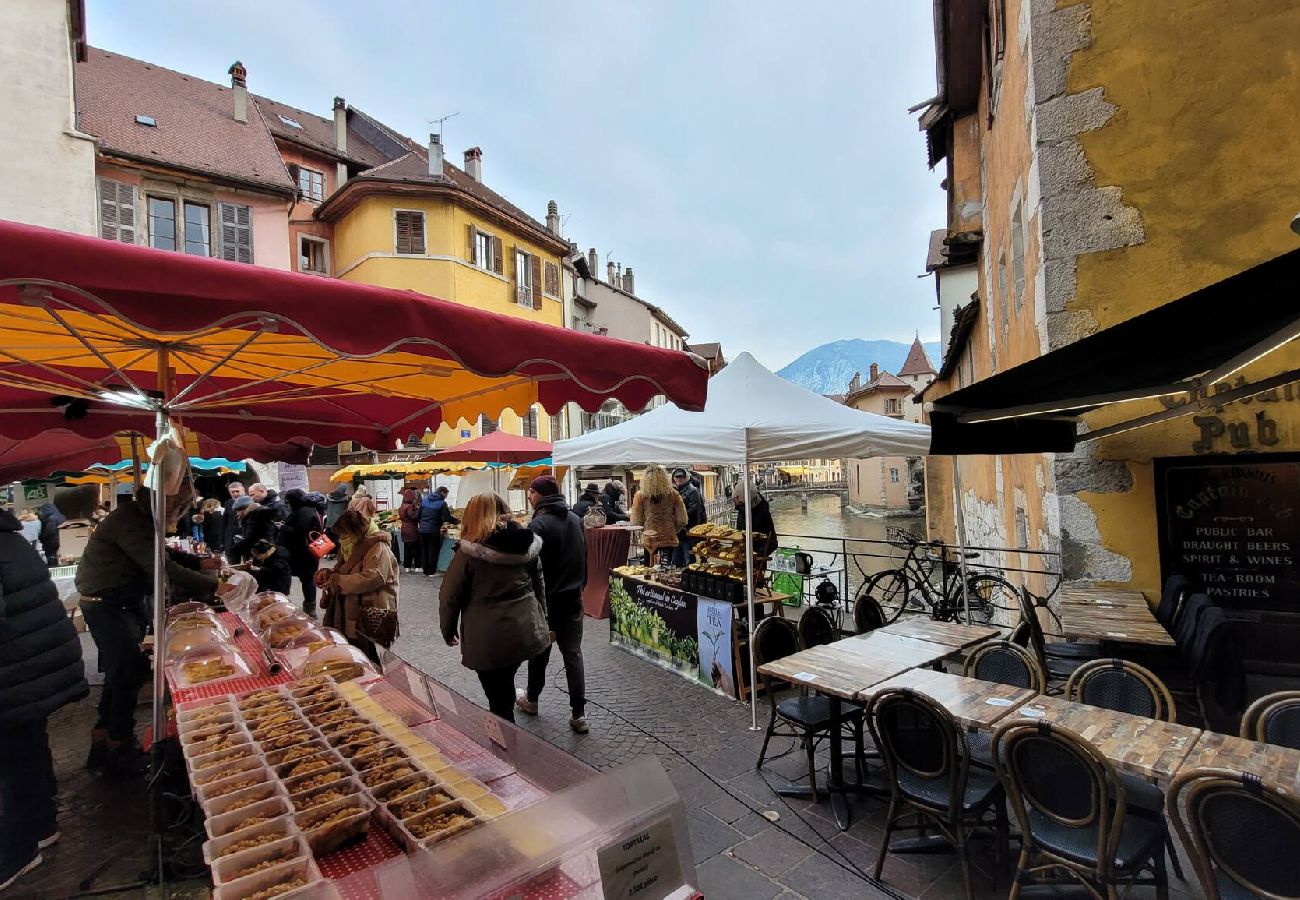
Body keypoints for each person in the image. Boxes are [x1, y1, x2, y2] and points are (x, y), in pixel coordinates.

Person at [76, 487, 227, 777]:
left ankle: (103, 742)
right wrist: (215, 586)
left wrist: (199, 563)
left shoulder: (138, 518)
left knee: (119, 675)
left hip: (117, 604)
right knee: (126, 676)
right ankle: (118, 748)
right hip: (108, 606)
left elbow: (162, 552)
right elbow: (161, 566)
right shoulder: (132, 520)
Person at [0, 506, 88, 891]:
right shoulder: (10, 539)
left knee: (11, 763)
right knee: (25, 751)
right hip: (27, 667)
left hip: (16, 670)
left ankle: (14, 852)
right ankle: (41, 826)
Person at [439, 493, 549, 723]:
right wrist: (542, 619)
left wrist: (447, 629)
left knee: (497, 696)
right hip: (524, 627)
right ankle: (507, 723)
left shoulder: (468, 553)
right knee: (504, 682)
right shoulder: (525, 544)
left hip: (488, 634)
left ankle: (504, 745)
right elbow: (539, 585)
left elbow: (450, 596)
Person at [517, 476, 589, 733]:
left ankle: (532, 699)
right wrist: (581, 585)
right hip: (572, 598)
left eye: (531, 492)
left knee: (540, 653)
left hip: (547, 601)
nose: (528, 495)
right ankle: (579, 714)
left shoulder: (539, 524)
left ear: (541, 495)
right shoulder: (574, 519)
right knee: (573, 654)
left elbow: (528, 564)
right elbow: (584, 555)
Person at [320, 509, 398, 666]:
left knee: (371, 657)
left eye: (344, 534)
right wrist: (329, 574)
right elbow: (345, 568)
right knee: (353, 654)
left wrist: (338, 580)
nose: (341, 539)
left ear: (355, 531)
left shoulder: (378, 547)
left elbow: (373, 578)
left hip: (370, 613)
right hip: (351, 609)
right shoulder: (352, 545)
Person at [630, 466, 686, 565]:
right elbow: (682, 520)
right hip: (668, 537)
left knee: (650, 567)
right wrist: (673, 530)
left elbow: (636, 521)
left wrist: (646, 530)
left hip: (650, 538)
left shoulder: (640, 496)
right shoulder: (674, 494)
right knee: (667, 568)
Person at [280, 489, 323, 616]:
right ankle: (310, 608)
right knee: (308, 579)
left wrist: (283, 527)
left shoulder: (302, 512)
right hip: (311, 551)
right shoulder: (311, 509)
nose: (287, 504)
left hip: (303, 552)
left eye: (288, 501)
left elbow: (299, 532)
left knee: (308, 579)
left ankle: (310, 610)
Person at [418, 486, 459, 577]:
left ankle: (425, 570)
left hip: (423, 530)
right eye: (446, 494)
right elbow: (447, 517)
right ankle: (432, 572)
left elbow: (419, 514)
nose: (446, 496)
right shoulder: (442, 503)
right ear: (442, 493)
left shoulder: (425, 500)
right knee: (433, 550)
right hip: (433, 530)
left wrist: (422, 524)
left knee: (425, 550)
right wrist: (457, 521)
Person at [671, 467, 706, 566]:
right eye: (676, 477)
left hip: (689, 530)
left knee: (688, 558)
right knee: (676, 559)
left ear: (685, 478)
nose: (678, 479)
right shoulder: (675, 491)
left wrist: (678, 516)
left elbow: (694, 510)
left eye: (681, 477)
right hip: (679, 531)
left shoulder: (692, 491)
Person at [734, 482, 779, 558]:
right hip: (743, 553)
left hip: (757, 555)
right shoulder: (744, 508)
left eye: (736, 496)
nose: (734, 498)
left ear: (741, 497)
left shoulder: (759, 511)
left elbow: (770, 539)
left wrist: (759, 553)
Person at [397, 488, 421, 573]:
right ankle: (418, 566)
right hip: (411, 529)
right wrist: (418, 510)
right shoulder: (409, 507)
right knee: (416, 549)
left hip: (404, 529)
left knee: (407, 549)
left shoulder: (401, 506)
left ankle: (407, 567)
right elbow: (414, 517)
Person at [221, 481, 246, 561]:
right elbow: (224, 523)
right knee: (233, 566)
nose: (235, 494)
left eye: (237, 491)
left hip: (246, 539)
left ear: (243, 490)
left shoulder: (251, 502)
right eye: (232, 492)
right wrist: (223, 542)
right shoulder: (228, 503)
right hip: (231, 540)